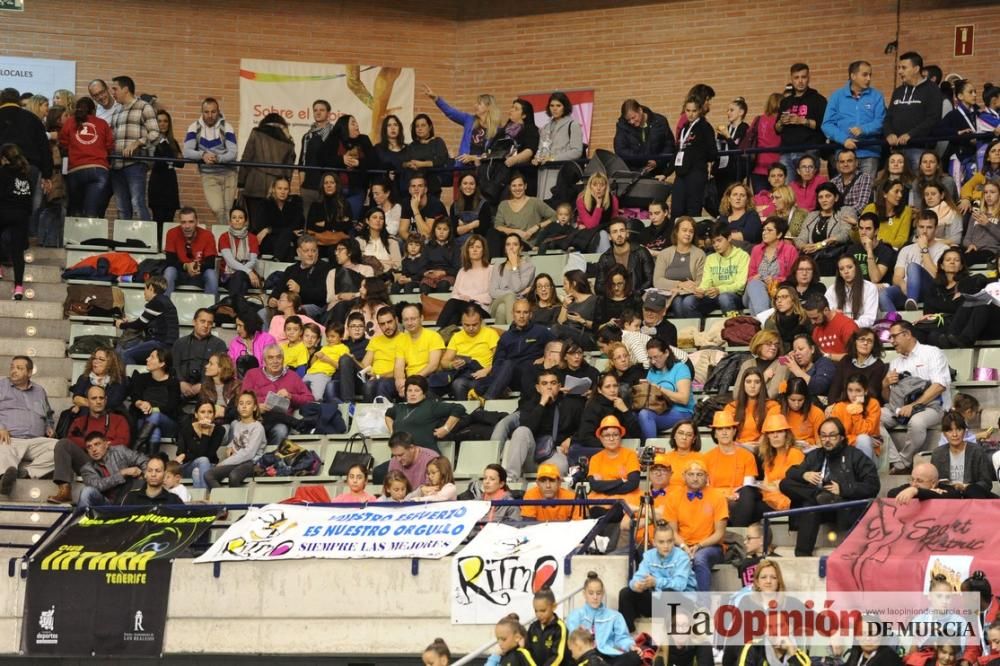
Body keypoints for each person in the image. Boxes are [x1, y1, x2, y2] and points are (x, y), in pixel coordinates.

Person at [779, 417, 879, 555]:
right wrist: (804, 475)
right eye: (824, 436)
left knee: (810, 505)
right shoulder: (815, 455)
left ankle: (822, 498)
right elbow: (791, 473)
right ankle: (802, 555)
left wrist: (843, 489)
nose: (827, 440)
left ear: (842, 437)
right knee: (787, 485)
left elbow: (873, 485)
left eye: (832, 436)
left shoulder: (855, 455)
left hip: (842, 507)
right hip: (820, 504)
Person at [881, 320, 951, 474]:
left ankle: (904, 463)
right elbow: (888, 398)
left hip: (932, 407)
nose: (891, 341)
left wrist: (914, 406)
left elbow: (939, 386)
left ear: (907, 334)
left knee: (917, 422)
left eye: (894, 337)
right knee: (872, 416)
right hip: (899, 407)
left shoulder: (932, 352)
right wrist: (885, 384)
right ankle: (895, 459)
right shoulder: (895, 363)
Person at [503, 369, 582, 481]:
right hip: (531, 454)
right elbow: (526, 428)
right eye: (544, 383)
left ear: (559, 386)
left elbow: (583, 429)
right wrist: (541, 404)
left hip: (554, 454)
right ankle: (511, 479)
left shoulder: (572, 405)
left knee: (562, 467)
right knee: (521, 431)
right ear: (538, 388)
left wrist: (571, 439)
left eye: (553, 383)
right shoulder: (529, 405)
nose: (549, 387)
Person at [618, 523, 696, 633]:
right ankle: (627, 636)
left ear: (674, 541)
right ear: (654, 542)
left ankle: (667, 639)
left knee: (668, 593)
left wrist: (656, 582)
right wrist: (636, 585)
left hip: (683, 603)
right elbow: (638, 576)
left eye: (669, 541)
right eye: (661, 542)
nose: (666, 546)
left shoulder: (682, 557)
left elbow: (680, 585)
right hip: (659, 601)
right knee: (626, 593)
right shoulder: (649, 556)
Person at [664, 460, 728, 592]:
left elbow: (719, 533)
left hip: (711, 546)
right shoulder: (673, 497)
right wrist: (684, 547)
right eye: (691, 474)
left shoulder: (717, 497)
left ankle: (703, 606)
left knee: (699, 559)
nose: (695, 478)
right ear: (683, 476)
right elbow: (672, 531)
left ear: (706, 477)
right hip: (681, 545)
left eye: (699, 474)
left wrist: (698, 546)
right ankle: (672, 607)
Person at [822, 60, 886, 176]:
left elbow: (881, 121)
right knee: (844, 192)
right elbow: (827, 124)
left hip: (869, 152)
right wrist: (844, 140)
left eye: (870, 75)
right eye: (865, 75)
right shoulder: (837, 96)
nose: (868, 79)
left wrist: (864, 129)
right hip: (843, 153)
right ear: (853, 76)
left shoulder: (877, 96)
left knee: (866, 192)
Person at [482, 298, 554, 399]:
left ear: (530, 315)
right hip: (511, 377)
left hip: (532, 374)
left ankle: (488, 398)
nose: (521, 316)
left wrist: (545, 358)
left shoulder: (541, 331)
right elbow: (498, 362)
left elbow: (558, 346)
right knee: (507, 364)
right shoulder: (506, 337)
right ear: (513, 314)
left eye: (525, 312)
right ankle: (494, 391)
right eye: (518, 312)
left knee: (511, 365)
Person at [240, 344, 312, 446]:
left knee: (281, 430)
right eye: (270, 358)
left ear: (283, 359)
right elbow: (242, 400)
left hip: (279, 422)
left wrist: (291, 396)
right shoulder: (252, 374)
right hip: (256, 419)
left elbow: (309, 399)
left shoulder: (293, 376)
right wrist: (256, 406)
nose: (275, 361)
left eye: (278, 357)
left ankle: (273, 459)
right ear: (264, 360)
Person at [108, 76, 158, 220]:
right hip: (116, 166)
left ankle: (147, 241)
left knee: (137, 203)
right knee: (122, 207)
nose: (113, 92)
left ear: (126, 89)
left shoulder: (144, 106)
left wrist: (137, 143)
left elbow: (155, 133)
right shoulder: (116, 111)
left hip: (135, 164)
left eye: (115, 89)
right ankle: (125, 241)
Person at [880, 210, 951, 311]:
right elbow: (896, 277)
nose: (925, 231)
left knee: (913, 266)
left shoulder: (943, 249)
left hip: (931, 290)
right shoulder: (906, 249)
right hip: (907, 289)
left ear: (935, 228)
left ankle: (912, 302)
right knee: (883, 294)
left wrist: (924, 249)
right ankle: (894, 322)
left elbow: (938, 276)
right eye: (921, 227)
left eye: (929, 227)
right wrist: (902, 284)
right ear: (917, 227)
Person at [182, 97, 238, 225]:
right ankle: (225, 234)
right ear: (202, 112)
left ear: (218, 112)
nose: (210, 115)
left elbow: (233, 153)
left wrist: (218, 158)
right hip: (208, 175)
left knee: (228, 210)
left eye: (213, 112)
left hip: (229, 173)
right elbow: (186, 151)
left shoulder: (227, 127)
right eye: (206, 112)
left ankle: (226, 236)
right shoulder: (194, 127)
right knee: (217, 208)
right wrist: (203, 155)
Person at [884, 52, 944, 172]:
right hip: (896, 150)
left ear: (916, 69)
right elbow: (888, 117)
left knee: (918, 187)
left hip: (920, 149)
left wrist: (911, 134)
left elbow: (933, 118)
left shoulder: (932, 89)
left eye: (904, 68)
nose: (900, 71)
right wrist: (889, 133)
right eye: (899, 68)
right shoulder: (898, 91)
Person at [566, 572, 639, 666]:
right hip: (586, 656)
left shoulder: (615, 616)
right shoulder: (575, 615)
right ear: (584, 594)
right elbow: (573, 640)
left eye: (598, 593)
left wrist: (630, 646)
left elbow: (622, 638)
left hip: (609, 656)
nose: (595, 597)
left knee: (634, 657)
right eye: (591, 593)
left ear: (603, 593)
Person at [59, 96, 114, 218]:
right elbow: (110, 145)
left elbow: (63, 143)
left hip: (75, 171)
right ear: (93, 110)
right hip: (98, 170)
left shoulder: (70, 122)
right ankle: (91, 235)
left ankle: (73, 237)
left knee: (75, 213)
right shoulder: (102, 123)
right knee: (91, 213)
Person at [704, 410, 762, 526]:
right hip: (715, 499)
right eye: (720, 429)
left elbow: (748, 485)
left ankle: (737, 528)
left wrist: (734, 496)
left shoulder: (747, 456)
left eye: (728, 428)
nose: (724, 432)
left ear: (734, 431)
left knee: (749, 493)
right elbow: (706, 486)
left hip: (739, 498)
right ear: (715, 433)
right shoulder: (706, 458)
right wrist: (724, 496)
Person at [238, 112, 295, 227]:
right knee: (271, 224)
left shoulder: (256, 133)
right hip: (276, 188)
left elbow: (246, 159)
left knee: (253, 223)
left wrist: (241, 183)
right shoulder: (288, 142)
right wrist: (285, 187)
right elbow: (289, 169)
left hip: (254, 184)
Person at [680, 221, 749, 316]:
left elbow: (740, 285)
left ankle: (733, 328)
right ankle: (700, 329)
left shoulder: (742, 256)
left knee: (724, 298)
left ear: (729, 238)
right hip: (713, 296)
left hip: (734, 296)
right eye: (713, 242)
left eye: (719, 240)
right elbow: (706, 282)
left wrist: (719, 290)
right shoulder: (710, 258)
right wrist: (701, 290)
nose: (716, 245)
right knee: (688, 302)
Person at [204, 391, 266, 491]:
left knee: (234, 476)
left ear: (254, 407)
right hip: (236, 462)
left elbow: (248, 453)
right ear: (237, 407)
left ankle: (236, 504)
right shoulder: (236, 424)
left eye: (248, 403)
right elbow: (237, 440)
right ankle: (223, 501)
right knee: (209, 474)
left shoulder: (258, 427)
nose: (244, 406)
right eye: (241, 403)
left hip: (251, 463)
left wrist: (224, 463)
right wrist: (229, 446)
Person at [424, 86, 499, 168]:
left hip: (483, 168)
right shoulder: (469, 120)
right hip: (463, 166)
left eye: (479, 104)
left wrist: (474, 158)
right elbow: (450, 112)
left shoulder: (496, 129)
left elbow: (494, 154)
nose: (475, 105)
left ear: (488, 107)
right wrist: (436, 98)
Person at [385, 376, 465, 452]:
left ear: (424, 393)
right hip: (400, 457)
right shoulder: (399, 408)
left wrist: (446, 428)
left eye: (417, 390)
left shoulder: (431, 406)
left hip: (425, 455)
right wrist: (392, 432)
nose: (412, 394)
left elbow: (459, 408)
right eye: (409, 390)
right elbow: (388, 414)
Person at [115, 275, 179, 365]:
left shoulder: (156, 302)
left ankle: (132, 378)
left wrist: (121, 325)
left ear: (151, 288)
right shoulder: (164, 300)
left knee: (126, 355)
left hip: (161, 344)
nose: (144, 292)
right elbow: (145, 321)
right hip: (166, 343)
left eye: (145, 289)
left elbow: (139, 324)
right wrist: (129, 323)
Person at [637, 339, 695, 439]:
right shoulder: (652, 371)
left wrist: (659, 389)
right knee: (632, 415)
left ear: (667, 353)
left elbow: (684, 399)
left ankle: (651, 450)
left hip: (681, 411)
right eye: (650, 358)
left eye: (656, 357)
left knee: (645, 415)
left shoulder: (680, 368)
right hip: (659, 410)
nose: (653, 361)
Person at [672, 95, 717, 219]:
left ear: (700, 111)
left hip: (696, 174)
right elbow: (677, 152)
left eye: (694, 111)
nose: (690, 114)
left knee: (692, 211)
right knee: (676, 211)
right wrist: (666, 173)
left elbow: (712, 151)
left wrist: (699, 157)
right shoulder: (684, 129)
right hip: (681, 174)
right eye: (688, 111)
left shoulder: (705, 127)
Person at [776, 63, 828, 172]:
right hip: (786, 151)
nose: (800, 81)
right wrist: (781, 122)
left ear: (808, 78)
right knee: (787, 188)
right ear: (792, 79)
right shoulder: (785, 102)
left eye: (803, 77)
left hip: (809, 151)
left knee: (809, 187)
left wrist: (802, 121)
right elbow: (776, 129)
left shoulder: (819, 100)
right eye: (796, 77)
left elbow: (824, 126)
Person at [931, 411, 995, 499]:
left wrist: (966, 487)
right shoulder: (937, 454)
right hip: (947, 497)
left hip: (971, 497)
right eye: (950, 430)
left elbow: (987, 483)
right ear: (944, 434)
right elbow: (932, 482)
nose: (955, 434)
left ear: (964, 431)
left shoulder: (977, 451)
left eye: (958, 429)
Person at [440, 305, 499, 400]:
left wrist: (487, 370)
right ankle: (463, 413)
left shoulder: (490, 333)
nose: (471, 328)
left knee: (463, 384)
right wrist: (452, 364)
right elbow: (444, 362)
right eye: (466, 325)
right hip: (465, 374)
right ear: (461, 323)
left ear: (481, 322)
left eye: (474, 325)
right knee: (457, 384)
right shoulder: (457, 337)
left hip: (485, 375)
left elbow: (500, 359)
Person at [129, 347, 181, 452]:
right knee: (155, 432)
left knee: (155, 415)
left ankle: (134, 449)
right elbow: (135, 397)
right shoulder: (141, 378)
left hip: (167, 422)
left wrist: (152, 408)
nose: (147, 359)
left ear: (162, 363)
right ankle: (151, 460)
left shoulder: (173, 382)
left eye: (152, 357)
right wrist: (141, 403)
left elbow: (171, 407)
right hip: (144, 420)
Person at [321, 114, 374, 219]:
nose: (356, 125)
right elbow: (323, 160)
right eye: (352, 123)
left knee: (352, 220)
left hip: (357, 190)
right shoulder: (333, 140)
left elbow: (374, 161)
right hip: (336, 190)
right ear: (344, 126)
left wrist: (359, 163)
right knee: (335, 220)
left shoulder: (364, 139)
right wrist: (342, 160)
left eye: (356, 122)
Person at [268, 234, 331, 321]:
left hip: (313, 306)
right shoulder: (291, 269)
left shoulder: (324, 268)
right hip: (289, 305)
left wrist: (300, 290)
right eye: (306, 251)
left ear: (318, 252)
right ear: (298, 252)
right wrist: (273, 299)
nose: (310, 254)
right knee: (264, 313)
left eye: (313, 251)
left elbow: (323, 295)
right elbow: (279, 289)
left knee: (296, 311)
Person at [172, 308, 228, 407]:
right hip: (180, 387)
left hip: (209, 389)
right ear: (194, 322)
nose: (206, 325)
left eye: (210, 323)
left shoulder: (219, 344)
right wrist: (181, 382)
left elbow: (221, 370)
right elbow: (174, 365)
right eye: (202, 321)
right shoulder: (180, 343)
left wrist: (203, 384)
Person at [744, 216, 799, 315]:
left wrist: (776, 280)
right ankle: (766, 319)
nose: (764, 232)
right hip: (753, 290)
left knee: (753, 304)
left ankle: (761, 323)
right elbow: (750, 277)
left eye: (769, 230)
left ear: (779, 234)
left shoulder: (790, 250)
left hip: (776, 292)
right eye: (764, 230)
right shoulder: (756, 249)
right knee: (755, 284)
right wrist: (754, 277)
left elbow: (793, 276)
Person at [77, 432, 148, 508]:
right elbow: (98, 486)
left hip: (128, 498)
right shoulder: (86, 469)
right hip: (106, 504)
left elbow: (144, 461)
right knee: (87, 491)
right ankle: (80, 518)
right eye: (89, 447)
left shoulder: (120, 451)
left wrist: (144, 475)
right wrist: (122, 473)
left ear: (107, 444)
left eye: (97, 444)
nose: (93, 449)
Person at [533, 91, 584, 198]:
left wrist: (552, 158)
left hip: (562, 171)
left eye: (558, 105)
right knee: (544, 205)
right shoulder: (545, 127)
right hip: (544, 171)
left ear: (565, 107)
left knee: (559, 205)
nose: (554, 109)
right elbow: (541, 149)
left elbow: (577, 151)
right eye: (552, 105)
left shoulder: (573, 125)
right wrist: (536, 158)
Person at [795, 182, 856, 272]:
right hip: (813, 257)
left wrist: (821, 244)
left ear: (836, 198)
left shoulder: (845, 211)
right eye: (821, 197)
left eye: (828, 196)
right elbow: (800, 238)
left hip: (835, 258)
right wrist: (805, 246)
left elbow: (845, 234)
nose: (824, 200)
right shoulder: (812, 215)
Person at [653, 216, 706, 316]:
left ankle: (692, 328)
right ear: (676, 232)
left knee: (687, 302)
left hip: (691, 294)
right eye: (684, 230)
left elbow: (701, 281)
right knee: (676, 302)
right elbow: (657, 281)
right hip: (670, 293)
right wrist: (679, 284)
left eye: (691, 231)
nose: (688, 234)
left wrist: (692, 286)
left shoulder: (700, 254)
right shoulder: (664, 254)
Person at [436, 234, 492, 327]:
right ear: (467, 250)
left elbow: (491, 295)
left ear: (483, 250)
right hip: (460, 307)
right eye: (471, 247)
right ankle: (447, 336)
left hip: (481, 308)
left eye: (478, 247)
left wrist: (470, 299)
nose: (474, 250)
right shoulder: (462, 271)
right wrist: (462, 299)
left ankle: (436, 332)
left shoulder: (491, 269)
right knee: (454, 316)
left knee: (453, 303)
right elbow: (454, 294)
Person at [0, 143, 33, 300]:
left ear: (5, 158)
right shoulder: (25, 174)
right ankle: (18, 289)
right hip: (21, 215)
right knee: (17, 253)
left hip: (4, 211)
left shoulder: (3, 172)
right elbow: (29, 199)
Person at [162, 207, 219, 296]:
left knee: (211, 274)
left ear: (197, 222)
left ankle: (210, 308)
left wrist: (195, 266)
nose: (187, 226)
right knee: (169, 271)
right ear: (180, 222)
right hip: (179, 272)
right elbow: (170, 261)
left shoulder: (207, 235)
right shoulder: (172, 233)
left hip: (200, 273)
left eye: (191, 222)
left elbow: (210, 263)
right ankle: (165, 307)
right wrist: (186, 266)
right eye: (183, 222)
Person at [594, 217, 654, 294]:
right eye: (615, 232)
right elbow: (599, 287)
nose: (619, 234)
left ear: (627, 233)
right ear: (609, 237)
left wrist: (635, 294)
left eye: (622, 230)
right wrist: (615, 294)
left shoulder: (641, 252)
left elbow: (650, 280)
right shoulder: (604, 258)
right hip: (614, 299)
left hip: (638, 298)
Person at [614, 98, 674, 177]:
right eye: (628, 120)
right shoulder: (623, 127)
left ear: (640, 110)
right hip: (634, 174)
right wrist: (645, 160)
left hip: (657, 173)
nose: (631, 122)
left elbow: (669, 145)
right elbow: (621, 151)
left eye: (633, 117)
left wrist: (657, 162)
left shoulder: (660, 121)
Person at [829, 374, 881, 461]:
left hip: (868, 453)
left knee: (863, 439)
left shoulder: (873, 404)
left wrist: (856, 412)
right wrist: (855, 439)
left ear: (865, 391)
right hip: (845, 451)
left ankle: (866, 473)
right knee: (863, 439)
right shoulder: (839, 407)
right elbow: (837, 437)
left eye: (858, 391)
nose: (853, 395)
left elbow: (866, 432)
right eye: (850, 390)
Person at [358, 306, 406, 401]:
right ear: (378, 325)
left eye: (389, 322)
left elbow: (403, 370)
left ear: (396, 320)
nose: (386, 326)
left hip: (393, 379)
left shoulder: (405, 339)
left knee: (373, 385)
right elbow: (364, 366)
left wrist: (378, 376)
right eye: (382, 324)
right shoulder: (375, 340)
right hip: (373, 379)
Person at [723, 368, 780, 447]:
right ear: (743, 384)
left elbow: (771, 433)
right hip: (738, 450)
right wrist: (742, 446)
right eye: (748, 382)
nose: (752, 386)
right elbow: (724, 436)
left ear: (762, 385)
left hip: (764, 450)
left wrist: (758, 446)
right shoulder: (731, 407)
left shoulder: (773, 406)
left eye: (757, 382)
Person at [828, 327, 888, 404]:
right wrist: (832, 405)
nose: (865, 343)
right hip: (842, 404)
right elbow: (835, 387)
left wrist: (848, 407)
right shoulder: (846, 360)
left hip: (866, 406)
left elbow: (872, 393)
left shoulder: (878, 365)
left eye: (869, 341)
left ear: (873, 345)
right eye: (862, 339)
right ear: (855, 342)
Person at [147, 109, 184, 233]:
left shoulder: (173, 142)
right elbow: (157, 162)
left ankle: (165, 247)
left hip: (170, 183)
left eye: (165, 121)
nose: (163, 124)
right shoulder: (152, 141)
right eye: (159, 121)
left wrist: (170, 159)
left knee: (169, 220)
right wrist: (171, 159)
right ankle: (157, 246)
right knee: (158, 220)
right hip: (157, 183)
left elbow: (181, 163)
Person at [173, 400, 222, 488]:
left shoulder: (219, 430)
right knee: (202, 460)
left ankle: (200, 499)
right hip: (188, 467)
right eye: (202, 412)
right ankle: (206, 496)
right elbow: (181, 453)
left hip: (210, 465)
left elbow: (209, 455)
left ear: (214, 415)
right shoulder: (186, 429)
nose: (206, 415)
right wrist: (186, 455)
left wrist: (205, 432)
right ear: (196, 414)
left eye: (210, 412)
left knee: (197, 471)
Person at [297, 99, 335, 214]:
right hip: (309, 186)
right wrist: (301, 186)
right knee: (306, 220)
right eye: (315, 110)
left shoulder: (336, 134)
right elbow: (302, 161)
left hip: (329, 187)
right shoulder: (308, 136)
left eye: (322, 110)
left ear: (328, 114)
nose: (318, 113)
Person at [488, 233, 535, 325]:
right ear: (505, 248)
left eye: (515, 244)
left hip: (520, 307)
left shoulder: (529, 267)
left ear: (521, 248)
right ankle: (516, 331)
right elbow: (493, 291)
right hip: (496, 303)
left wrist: (514, 266)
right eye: (508, 244)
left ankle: (504, 337)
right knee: (509, 296)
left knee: (502, 309)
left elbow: (516, 287)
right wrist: (516, 294)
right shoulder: (498, 266)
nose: (511, 247)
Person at [254, 176, 303, 262]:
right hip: (269, 242)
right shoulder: (264, 204)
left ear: (289, 191)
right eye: (279, 188)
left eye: (286, 189)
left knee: (288, 240)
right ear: (273, 189)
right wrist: (287, 231)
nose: (283, 192)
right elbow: (260, 226)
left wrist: (269, 230)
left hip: (288, 240)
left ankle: (277, 260)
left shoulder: (294, 204)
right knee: (288, 240)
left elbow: (298, 224)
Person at [217, 206, 261, 301]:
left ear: (245, 221)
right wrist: (248, 271)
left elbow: (253, 261)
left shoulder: (252, 238)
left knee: (240, 276)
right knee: (241, 281)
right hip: (227, 276)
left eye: (240, 218)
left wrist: (245, 272)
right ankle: (239, 309)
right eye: (234, 217)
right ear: (230, 221)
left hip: (246, 276)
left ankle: (231, 306)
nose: (237, 220)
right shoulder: (224, 237)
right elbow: (230, 262)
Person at [806, 288, 861, 362]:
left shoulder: (847, 325)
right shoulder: (817, 329)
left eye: (815, 318)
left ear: (826, 310)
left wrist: (826, 356)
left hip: (846, 369)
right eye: (810, 319)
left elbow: (855, 356)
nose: (812, 322)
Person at [845, 212, 897, 288]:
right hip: (857, 289)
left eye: (868, 229)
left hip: (878, 292)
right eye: (861, 228)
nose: (863, 232)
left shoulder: (886, 251)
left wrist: (869, 250)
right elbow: (847, 276)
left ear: (876, 231)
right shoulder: (852, 249)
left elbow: (875, 278)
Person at [525, 588, 571, 666]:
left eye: (543, 610)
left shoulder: (560, 628)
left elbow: (558, 656)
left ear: (554, 606)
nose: (539, 614)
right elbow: (527, 652)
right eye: (536, 611)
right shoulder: (533, 627)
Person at [553, 269, 598, 350]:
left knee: (556, 329)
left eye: (565, 284)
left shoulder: (594, 300)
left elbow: (600, 325)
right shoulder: (569, 302)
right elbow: (560, 323)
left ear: (573, 284)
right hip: (569, 336)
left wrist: (582, 320)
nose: (563, 288)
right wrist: (564, 306)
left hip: (587, 336)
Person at [784, 333, 836, 399]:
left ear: (812, 349)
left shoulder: (824, 362)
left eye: (801, 349)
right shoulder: (794, 367)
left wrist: (797, 370)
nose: (797, 353)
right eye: (794, 351)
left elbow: (819, 387)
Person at [739, 330, 789, 398]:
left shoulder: (782, 362)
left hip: (772, 407)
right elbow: (737, 394)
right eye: (769, 344)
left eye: (776, 345)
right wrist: (764, 377)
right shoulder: (747, 364)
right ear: (759, 344)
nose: (773, 347)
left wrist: (751, 389)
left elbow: (772, 394)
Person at [963, 179, 1000, 265]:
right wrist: (969, 245)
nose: (988, 195)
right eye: (986, 192)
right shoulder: (976, 214)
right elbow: (967, 238)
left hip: (990, 252)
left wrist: (988, 224)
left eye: (992, 192)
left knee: (962, 260)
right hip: (972, 250)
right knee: (952, 254)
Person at [450, 172, 493, 244]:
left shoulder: (484, 205)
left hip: (477, 243)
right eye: (465, 183)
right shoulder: (454, 206)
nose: (468, 187)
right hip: (458, 244)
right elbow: (454, 232)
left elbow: (482, 231)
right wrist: (472, 225)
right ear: (460, 186)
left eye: (471, 184)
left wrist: (463, 227)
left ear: (476, 186)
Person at [763, 286, 810, 351]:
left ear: (793, 300)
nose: (779, 301)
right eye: (777, 298)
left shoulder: (804, 319)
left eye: (784, 297)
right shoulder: (771, 322)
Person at [718, 182, 761, 247]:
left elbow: (749, 236)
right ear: (729, 198)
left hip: (745, 252)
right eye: (735, 194)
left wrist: (722, 236)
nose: (738, 198)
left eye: (742, 195)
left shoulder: (752, 216)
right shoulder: (723, 217)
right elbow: (715, 235)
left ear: (747, 200)